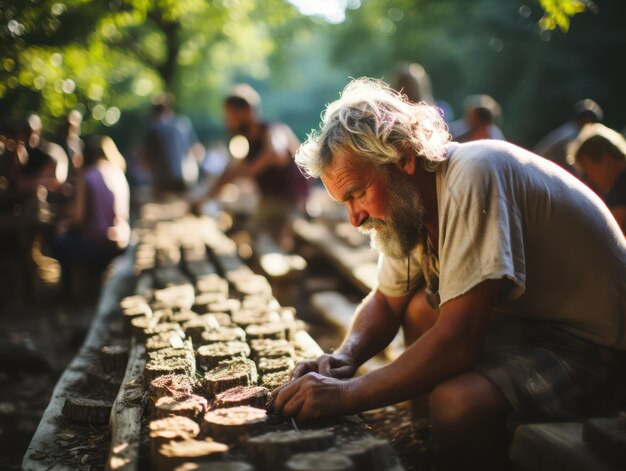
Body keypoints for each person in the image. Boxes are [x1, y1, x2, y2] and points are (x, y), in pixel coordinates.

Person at [272, 78, 626, 469]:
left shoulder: (474, 173)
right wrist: (343, 358)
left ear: (403, 157)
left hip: (600, 347)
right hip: (536, 327)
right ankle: (428, 437)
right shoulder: (407, 204)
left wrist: (345, 395)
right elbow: (386, 301)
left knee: (456, 404)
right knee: (419, 311)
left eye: (356, 193)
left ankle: (460, 443)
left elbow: (459, 341)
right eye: (345, 202)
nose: (354, 218)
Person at [192, 84, 309, 248]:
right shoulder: (248, 142)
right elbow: (230, 173)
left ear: (246, 112)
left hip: (288, 201)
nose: (227, 121)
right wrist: (204, 199)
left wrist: (249, 170)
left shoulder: (273, 130)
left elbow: (277, 155)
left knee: (261, 239)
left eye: (229, 115)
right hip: (269, 199)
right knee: (253, 234)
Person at [53, 135, 130, 300]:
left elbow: (79, 218)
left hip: (97, 244)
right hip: (119, 242)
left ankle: (67, 292)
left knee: (59, 240)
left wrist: (64, 224)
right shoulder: (118, 173)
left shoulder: (86, 176)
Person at [570, 123, 626, 234]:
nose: (590, 180)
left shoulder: (620, 191)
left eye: (588, 169)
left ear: (606, 160)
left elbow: (610, 235)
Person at [143, 93, 203, 193]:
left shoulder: (154, 128)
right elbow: (198, 150)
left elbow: (147, 159)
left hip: (162, 182)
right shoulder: (184, 124)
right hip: (185, 180)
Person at [533, 99, 603, 173]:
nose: (588, 124)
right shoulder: (571, 136)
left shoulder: (576, 133)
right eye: (585, 120)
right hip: (543, 169)